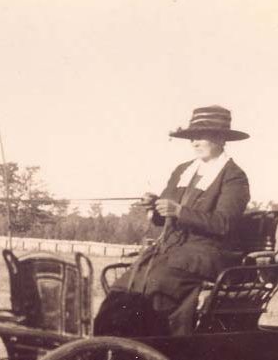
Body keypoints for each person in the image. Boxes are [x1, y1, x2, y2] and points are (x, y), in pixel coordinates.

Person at [94, 105, 251, 336]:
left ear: (220, 138)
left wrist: (178, 211)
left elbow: (223, 223)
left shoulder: (234, 176)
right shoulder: (183, 171)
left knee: (154, 289)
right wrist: (155, 207)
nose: (195, 142)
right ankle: (108, 355)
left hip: (204, 255)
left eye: (201, 136)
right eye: (192, 137)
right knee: (121, 289)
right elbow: (165, 216)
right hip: (169, 251)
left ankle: (155, 354)